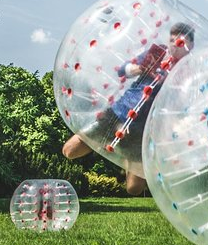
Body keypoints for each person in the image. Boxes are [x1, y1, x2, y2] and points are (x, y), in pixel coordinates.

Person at [62, 22, 195, 196]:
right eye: (172, 40)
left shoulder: (187, 70)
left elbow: (181, 104)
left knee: (134, 189)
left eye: (180, 41)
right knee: (69, 151)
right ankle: (110, 145)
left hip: (143, 129)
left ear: (190, 45)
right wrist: (140, 68)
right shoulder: (158, 53)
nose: (174, 44)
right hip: (119, 112)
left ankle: (124, 152)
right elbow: (122, 70)